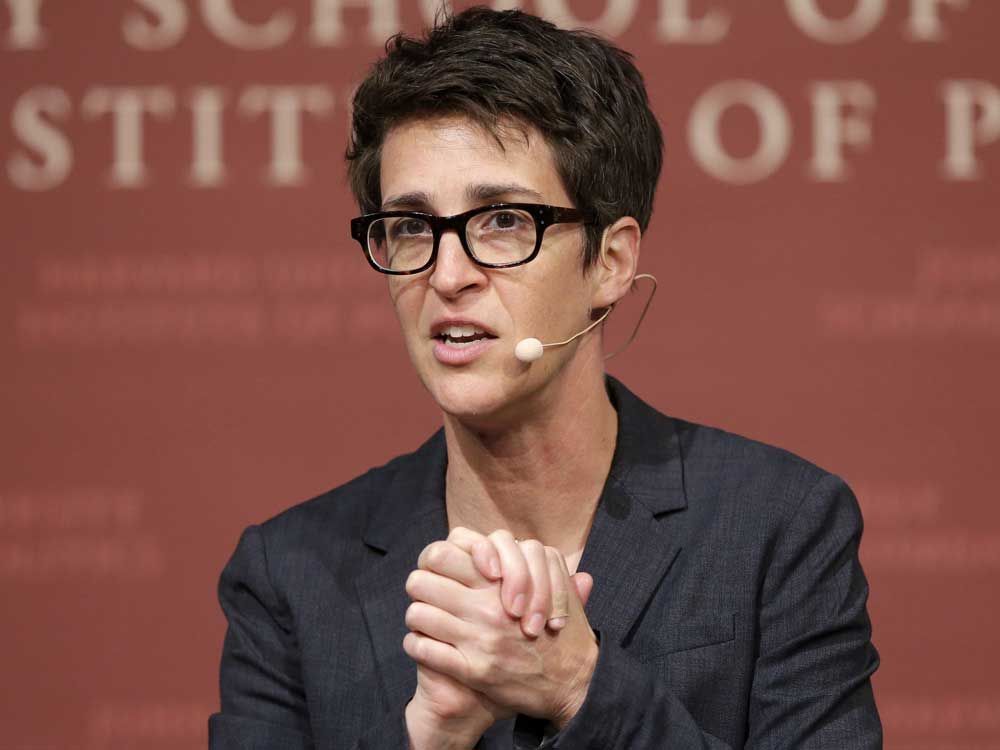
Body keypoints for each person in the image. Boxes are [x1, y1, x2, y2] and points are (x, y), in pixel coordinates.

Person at [208, 8, 882, 749]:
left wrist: (579, 690)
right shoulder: (290, 574)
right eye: (411, 227)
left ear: (611, 261)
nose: (448, 274)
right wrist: (427, 737)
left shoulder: (777, 527)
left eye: (501, 221)